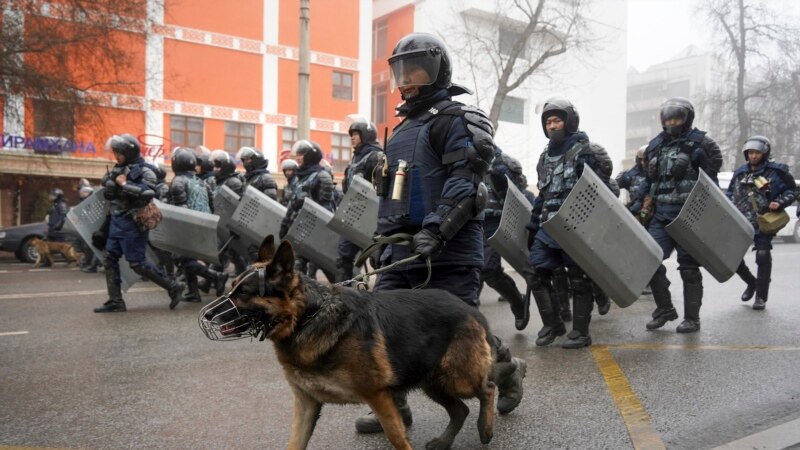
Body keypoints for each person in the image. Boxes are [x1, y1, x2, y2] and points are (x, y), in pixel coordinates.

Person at [353, 33, 526, 435]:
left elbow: (465, 183)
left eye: (416, 69)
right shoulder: (398, 132)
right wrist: (383, 240)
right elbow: (392, 196)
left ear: (437, 69)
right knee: (381, 329)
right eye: (401, 70)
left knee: (460, 335)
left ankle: (508, 369)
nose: (407, 78)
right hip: (402, 251)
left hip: (450, 248)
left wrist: (437, 230)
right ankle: (395, 410)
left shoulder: (459, 119)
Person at [524, 96, 613, 349]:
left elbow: (603, 193)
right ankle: (553, 324)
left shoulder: (586, 152)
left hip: (576, 225)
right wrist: (533, 225)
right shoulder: (545, 157)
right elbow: (543, 194)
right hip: (547, 226)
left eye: (557, 120)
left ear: (569, 122)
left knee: (578, 278)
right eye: (548, 122)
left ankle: (581, 332)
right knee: (535, 273)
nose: (552, 126)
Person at [636, 98, 722, 332]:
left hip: (688, 216)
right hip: (661, 214)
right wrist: (637, 207)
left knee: (688, 269)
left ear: (686, 119)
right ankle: (665, 308)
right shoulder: (656, 145)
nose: (672, 123)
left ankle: (692, 318)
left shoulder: (701, 144)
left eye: (676, 118)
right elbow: (648, 181)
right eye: (668, 119)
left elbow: (711, 183)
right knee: (648, 260)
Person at [93, 134, 185, 313]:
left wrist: (124, 183)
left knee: (137, 263)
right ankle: (116, 301)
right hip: (115, 221)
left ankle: (173, 286)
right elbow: (108, 187)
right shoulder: (117, 168)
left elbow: (147, 194)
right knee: (109, 259)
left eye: (118, 153)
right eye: (115, 152)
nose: (116, 156)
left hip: (133, 222)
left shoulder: (145, 170)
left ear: (128, 152)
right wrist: (111, 183)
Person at [727, 136, 796, 310]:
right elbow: (728, 195)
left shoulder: (777, 172)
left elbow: (793, 190)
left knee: (763, 256)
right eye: (750, 152)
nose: (753, 156)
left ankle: (761, 297)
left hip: (763, 221)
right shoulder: (740, 172)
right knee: (731, 257)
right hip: (741, 221)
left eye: (757, 152)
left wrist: (780, 202)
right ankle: (751, 282)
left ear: (764, 153)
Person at [168, 147, 227, 302]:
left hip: (189, 226)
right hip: (204, 225)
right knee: (189, 259)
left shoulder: (178, 181)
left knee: (184, 260)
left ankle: (216, 276)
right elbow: (212, 206)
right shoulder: (201, 182)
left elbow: (180, 209)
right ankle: (194, 293)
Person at [481, 147, 529, 329]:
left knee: (488, 270)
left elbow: (517, 192)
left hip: (496, 221)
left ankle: (517, 302)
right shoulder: (459, 156)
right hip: (470, 220)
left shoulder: (502, 162)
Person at [279, 140, 336, 280]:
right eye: (297, 154)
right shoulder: (299, 177)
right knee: (297, 269)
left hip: (314, 232)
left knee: (331, 272)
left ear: (311, 155)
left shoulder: (322, 177)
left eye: (301, 154)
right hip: (299, 230)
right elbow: (293, 204)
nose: (298, 157)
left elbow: (326, 210)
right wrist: (285, 225)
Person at [335, 117, 383, 282]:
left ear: (367, 135)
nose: (353, 137)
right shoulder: (355, 159)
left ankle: (380, 295)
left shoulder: (375, 156)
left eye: (357, 134)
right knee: (343, 257)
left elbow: (380, 188)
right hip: (353, 215)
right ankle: (344, 296)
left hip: (371, 216)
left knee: (378, 259)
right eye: (352, 134)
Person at [77, 180, 101, 273]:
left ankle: (92, 265)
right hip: (88, 227)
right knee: (87, 246)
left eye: (84, 192)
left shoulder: (93, 201)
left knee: (94, 247)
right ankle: (90, 264)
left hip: (94, 228)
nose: (82, 193)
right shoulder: (84, 202)